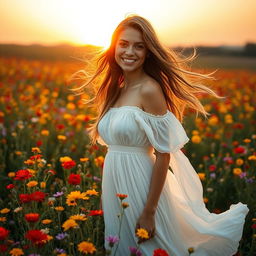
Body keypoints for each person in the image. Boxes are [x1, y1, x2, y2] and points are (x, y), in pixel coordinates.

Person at [71, 15, 249, 256]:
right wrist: (106, 194)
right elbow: (114, 149)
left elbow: (163, 154)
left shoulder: (149, 90)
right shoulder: (116, 89)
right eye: (123, 44)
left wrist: (149, 211)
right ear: (114, 46)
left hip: (142, 186)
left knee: (150, 249)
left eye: (139, 46)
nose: (129, 51)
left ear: (148, 53)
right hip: (116, 186)